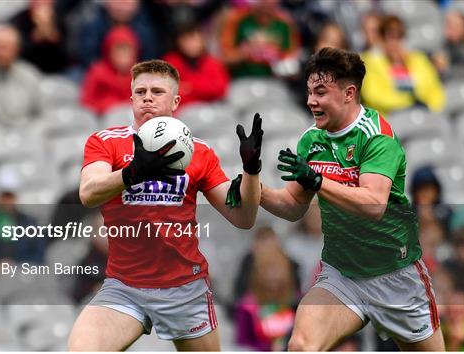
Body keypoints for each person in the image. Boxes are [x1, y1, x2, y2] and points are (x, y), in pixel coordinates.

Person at [68, 59, 263, 351]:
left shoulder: (201, 152)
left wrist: (250, 171)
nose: (147, 97)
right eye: (140, 91)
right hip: (125, 286)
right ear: (131, 98)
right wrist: (133, 172)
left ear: (176, 100)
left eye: (157, 91)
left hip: (185, 287)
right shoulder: (106, 142)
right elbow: (88, 191)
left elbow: (243, 217)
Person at [258, 47, 445, 350]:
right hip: (342, 274)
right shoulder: (311, 140)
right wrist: (255, 185)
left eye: (320, 92)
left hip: (396, 276)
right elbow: (293, 207)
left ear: (349, 93)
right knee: (301, 345)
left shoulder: (376, 135)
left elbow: (373, 204)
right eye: (308, 92)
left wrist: (317, 181)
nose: (310, 101)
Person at [360, 15, 445, 116]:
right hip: (387, 118)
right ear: (381, 39)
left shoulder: (418, 59)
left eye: (399, 36)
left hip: (422, 113)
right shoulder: (369, 61)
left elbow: (435, 90)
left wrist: (430, 108)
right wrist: (408, 103)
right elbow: (373, 95)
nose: (395, 42)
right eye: (390, 37)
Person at [80, 25, 139, 116]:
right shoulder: (97, 71)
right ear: (108, 51)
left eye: (127, 51)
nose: (123, 57)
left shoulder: (139, 73)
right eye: (118, 51)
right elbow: (87, 102)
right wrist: (110, 106)